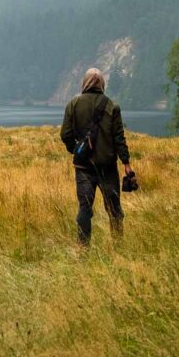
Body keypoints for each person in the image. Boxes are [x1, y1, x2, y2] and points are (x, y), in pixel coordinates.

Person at [60, 67, 134, 245]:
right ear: (102, 83)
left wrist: (76, 149)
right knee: (114, 208)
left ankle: (83, 248)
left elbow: (65, 134)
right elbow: (119, 137)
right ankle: (118, 245)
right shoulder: (111, 106)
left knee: (85, 208)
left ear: (84, 83)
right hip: (107, 167)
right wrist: (126, 162)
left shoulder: (73, 105)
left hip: (84, 168)